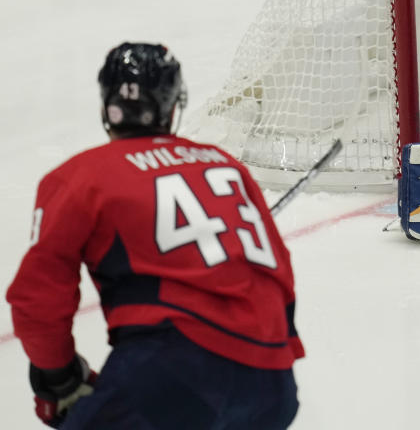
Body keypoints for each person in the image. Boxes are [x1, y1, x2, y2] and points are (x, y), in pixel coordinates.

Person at [6, 42, 303, 429]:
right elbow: (281, 278)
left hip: (169, 372)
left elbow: (36, 301)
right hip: (273, 385)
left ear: (106, 107)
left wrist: (58, 378)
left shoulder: (80, 176)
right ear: (172, 107)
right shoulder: (226, 164)